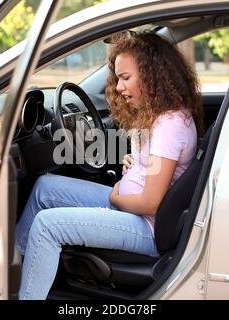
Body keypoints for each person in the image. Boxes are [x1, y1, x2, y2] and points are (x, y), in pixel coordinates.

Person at [15, 32, 204, 300]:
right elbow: (158, 169)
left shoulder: (169, 124)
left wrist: (117, 194)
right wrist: (136, 164)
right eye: (118, 79)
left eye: (126, 78)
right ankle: (15, 267)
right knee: (45, 187)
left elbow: (150, 202)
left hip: (145, 226)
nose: (118, 88)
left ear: (153, 75)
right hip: (131, 205)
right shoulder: (162, 115)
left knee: (47, 225)